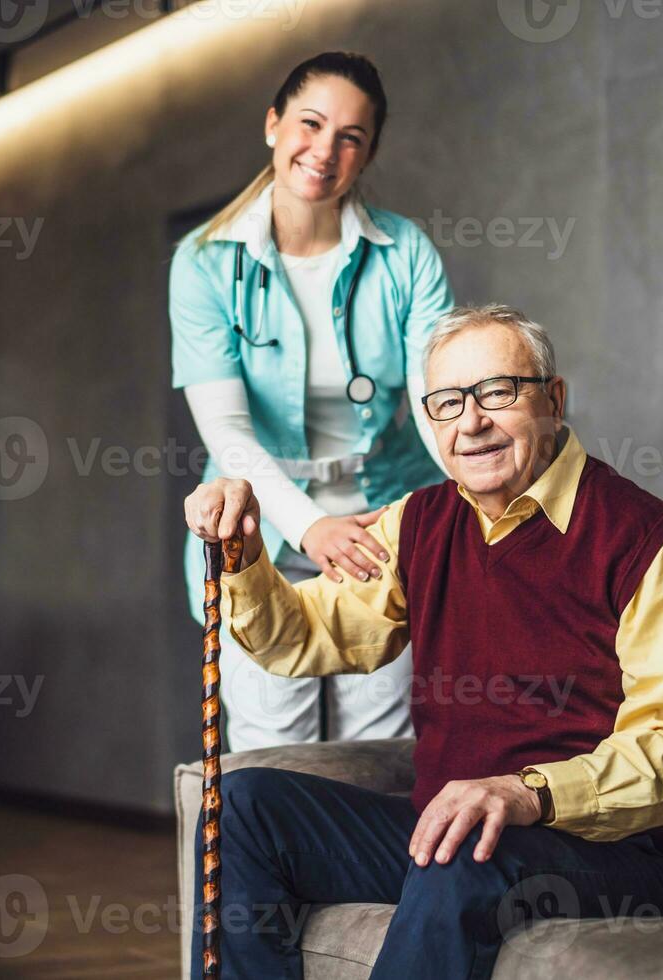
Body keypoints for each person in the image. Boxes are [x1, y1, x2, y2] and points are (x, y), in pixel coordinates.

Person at [182, 304, 663, 979]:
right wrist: (243, 555)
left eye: (497, 393)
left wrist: (525, 792)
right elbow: (301, 639)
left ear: (554, 400)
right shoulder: (419, 521)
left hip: (627, 858)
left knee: (465, 847)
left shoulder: (646, 541)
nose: (470, 423)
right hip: (456, 838)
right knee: (242, 808)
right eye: (445, 403)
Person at [170, 51, 454, 752]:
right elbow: (227, 432)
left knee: (382, 749)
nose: (325, 150)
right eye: (311, 123)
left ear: (369, 153)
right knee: (273, 752)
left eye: (351, 136)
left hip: (381, 531)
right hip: (261, 536)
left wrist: (471, 501)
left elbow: (436, 396)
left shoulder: (405, 253)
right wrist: (309, 528)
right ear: (273, 125)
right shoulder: (204, 262)